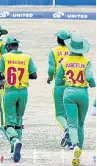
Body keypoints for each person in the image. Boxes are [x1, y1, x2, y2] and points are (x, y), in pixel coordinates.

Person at [55, 36, 96, 166]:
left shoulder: (65, 61)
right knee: (81, 125)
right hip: (83, 94)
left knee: (72, 124)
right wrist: (93, 84)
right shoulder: (87, 61)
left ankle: (75, 146)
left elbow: (58, 80)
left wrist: (63, 81)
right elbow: (89, 76)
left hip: (69, 93)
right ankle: (79, 155)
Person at [0, 36, 37, 162]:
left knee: (8, 123)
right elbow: (34, 75)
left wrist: (6, 75)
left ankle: (14, 140)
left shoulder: (5, 57)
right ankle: (14, 151)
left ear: (9, 46)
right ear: (17, 45)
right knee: (18, 122)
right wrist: (23, 75)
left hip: (10, 91)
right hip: (23, 92)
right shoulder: (27, 57)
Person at [47, 29, 73, 149]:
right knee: (70, 112)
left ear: (58, 39)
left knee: (59, 114)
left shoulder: (53, 51)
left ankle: (66, 129)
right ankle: (71, 139)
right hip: (73, 84)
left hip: (60, 84)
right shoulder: (74, 50)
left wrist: (50, 78)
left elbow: (51, 69)